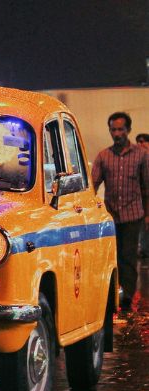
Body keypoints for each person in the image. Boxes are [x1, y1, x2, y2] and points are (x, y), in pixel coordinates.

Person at [91, 112, 149, 312]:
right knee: (111, 258)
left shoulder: (141, 155)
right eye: (113, 130)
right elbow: (93, 186)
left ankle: (127, 301)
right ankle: (112, 296)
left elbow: (146, 186)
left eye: (120, 129)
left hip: (133, 215)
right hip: (111, 216)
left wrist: (147, 214)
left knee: (129, 258)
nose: (117, 134)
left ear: (128, 130)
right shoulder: (103, 156)